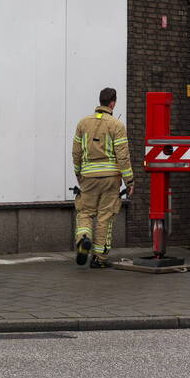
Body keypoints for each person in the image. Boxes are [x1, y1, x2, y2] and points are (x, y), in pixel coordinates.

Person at [72, 87, 133, 269]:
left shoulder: (83, 123)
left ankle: (83, 240)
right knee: (105, 216)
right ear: (113, 103)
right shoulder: (117, 125)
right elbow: (123, 156)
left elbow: (76, 152)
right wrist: (129, 181)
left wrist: (79, 174)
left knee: (85, 212)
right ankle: (99, 258)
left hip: (88, 176)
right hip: (110, 178)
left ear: (100, 101)